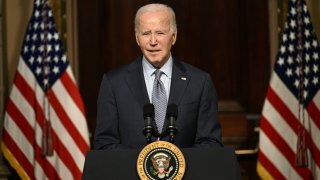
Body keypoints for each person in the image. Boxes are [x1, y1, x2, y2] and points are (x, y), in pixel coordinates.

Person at [93, 3, 223, 149]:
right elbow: (104, 143)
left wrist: (174, 162)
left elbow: (211, 143)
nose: (153, 41)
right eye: (146, 33)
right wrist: (145, 162)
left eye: (160, 33)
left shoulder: (200, 82)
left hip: (187, 171)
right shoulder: (114, 83)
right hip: (130, 171)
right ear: (137, 39)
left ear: (173, 37)